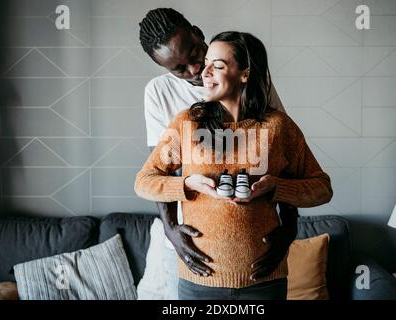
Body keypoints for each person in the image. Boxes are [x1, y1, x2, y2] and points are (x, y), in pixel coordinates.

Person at [134, 31, 333, 299]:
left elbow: (322, 188)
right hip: (199, 280)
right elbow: (144, 182)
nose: (203, 73)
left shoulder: (278, 127)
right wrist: (186, 184)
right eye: (206, 64)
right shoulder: (187, 123)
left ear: (245, 74)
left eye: (217, 66)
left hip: (264, 280)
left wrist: (277, 187)